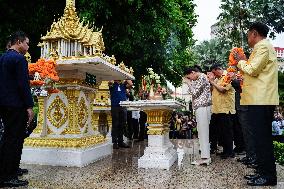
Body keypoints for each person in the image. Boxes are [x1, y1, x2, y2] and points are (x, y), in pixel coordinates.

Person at [236, 22, 279, 186]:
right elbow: (254, 73)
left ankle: (268, 176)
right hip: (258, 100)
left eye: (248, 35)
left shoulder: (262, 47)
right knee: (258, 139)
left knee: (262, 139)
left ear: (254, 33)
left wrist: (241, 61)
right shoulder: (261, 47)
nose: (248, 38)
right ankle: (261, 172)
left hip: (261, 100)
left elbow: (252, 69)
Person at [0, 31, 34, 187]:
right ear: (19, 42)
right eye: (26, 43)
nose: (27, 47)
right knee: (15, 139)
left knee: (8, 138)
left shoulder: (3, 57)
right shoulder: (19, 59)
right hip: (16, 105)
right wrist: (29, 106)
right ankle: (9, 175)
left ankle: (10, 168)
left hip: (4, 104)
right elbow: (23, 85)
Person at [184, 66, 212, 165]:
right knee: (202, 132)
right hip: (200, 107)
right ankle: (205, 156)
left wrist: (188, 83)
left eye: (189, 77)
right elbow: (191, 92)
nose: (190, 79)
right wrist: (190, 83)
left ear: (193, 72)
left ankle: (205, 158)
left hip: (203, 107)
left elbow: (194, 93)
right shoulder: (199, 78)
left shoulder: (202, 77)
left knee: (203, 132)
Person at [208, 64, 235, 159]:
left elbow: (222, 90)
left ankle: (230, 152)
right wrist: (211, 81)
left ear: (218, 70)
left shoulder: (228, 76)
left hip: (225, 109)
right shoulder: (216, 79)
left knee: (227, 132)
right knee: (220, 131)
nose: (214, 75)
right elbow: (211, 90)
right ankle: (225, 150)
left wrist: (212, 81)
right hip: (216, 109)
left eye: (214, 72)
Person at [109, 80, 133, 149]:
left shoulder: (123, 85)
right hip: (115, 106)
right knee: (115, 124)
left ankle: (120, 141)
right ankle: (114, 142)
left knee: (122, 124)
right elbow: (109, 83)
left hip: (123, 107)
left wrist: (125, 77)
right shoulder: (113, 84)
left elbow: (131, 84)